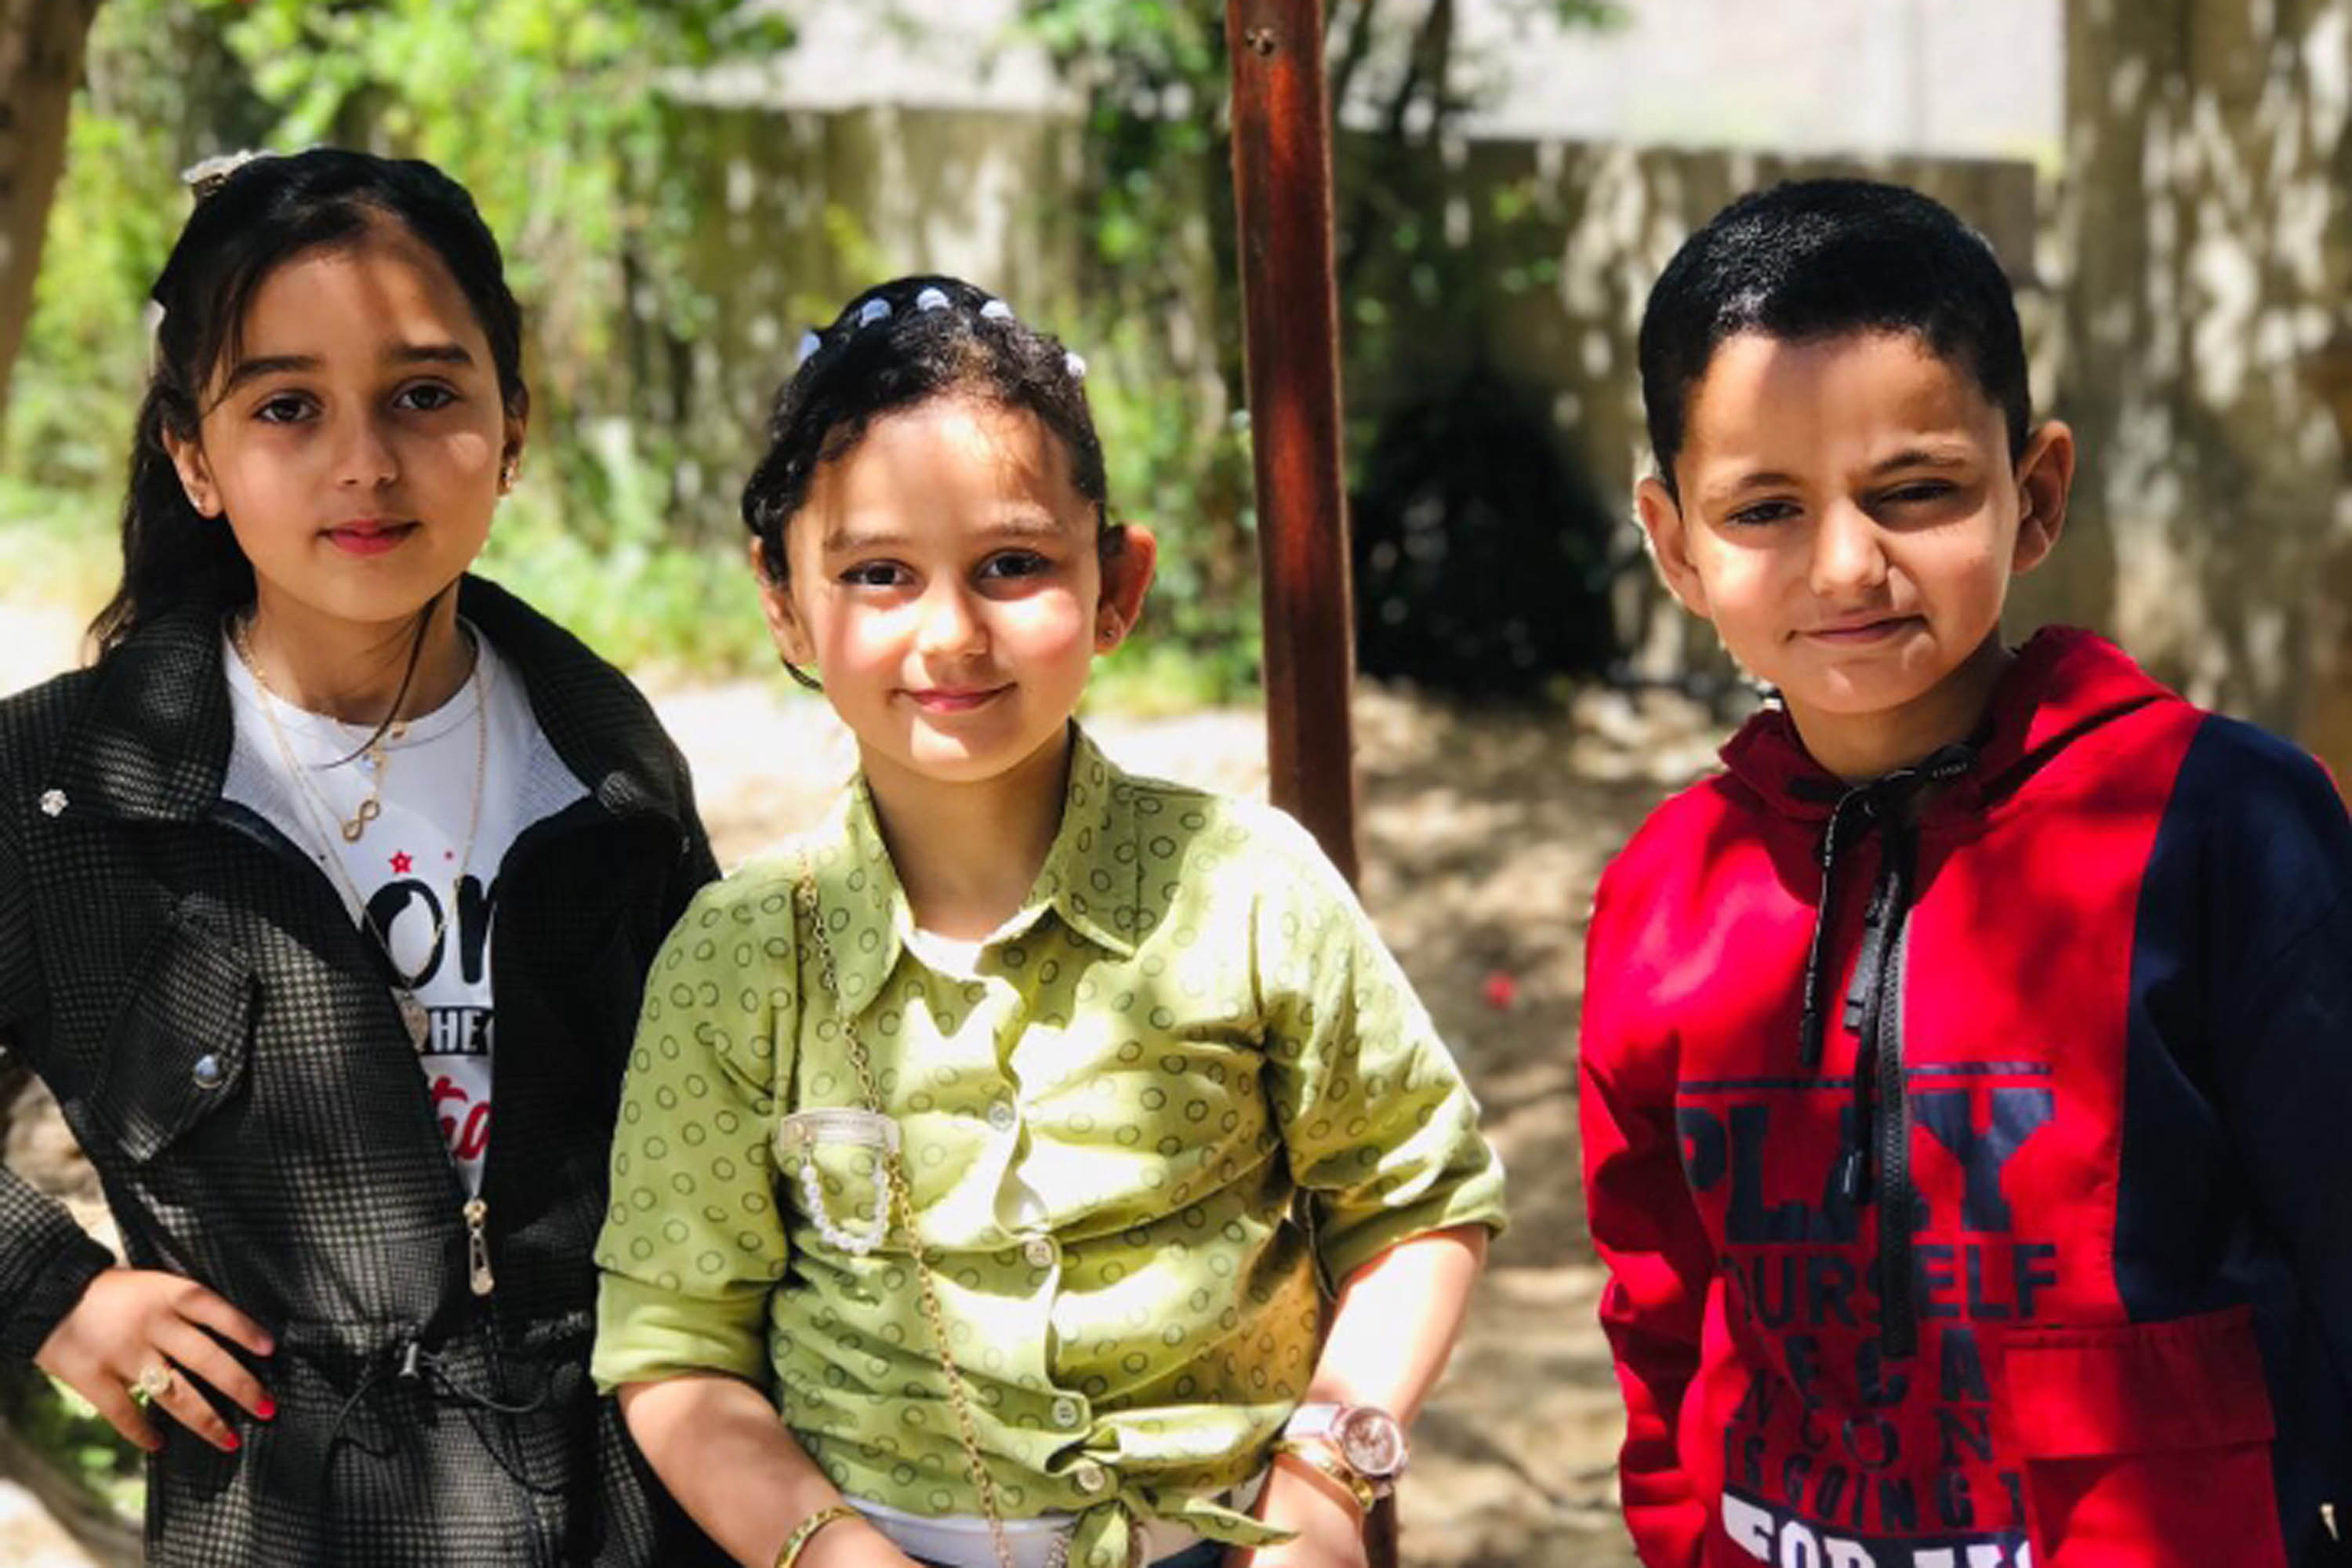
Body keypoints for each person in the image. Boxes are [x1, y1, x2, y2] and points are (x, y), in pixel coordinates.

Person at [590, 274, 1508, 1568]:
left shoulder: (1249, 890)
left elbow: (1418, 1200)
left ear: (1119, 581)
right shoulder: (743, 958)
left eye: (1012, 565)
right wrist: (833, 1554)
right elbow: (674, 1344)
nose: (953, 633)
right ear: (784, 601)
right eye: (877, 574)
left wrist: (1323, 1483)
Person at [1580, 176, 2352, 1568]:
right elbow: (1658, 1300)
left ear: (2036, 493)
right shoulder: (1664, 891)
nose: (1849, 564)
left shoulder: (2223, 824)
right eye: (1762, 509)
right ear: (1674, 543)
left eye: (1916, 489)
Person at [0, 147, 728, 1564]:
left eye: (425, 394)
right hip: (284, 1521)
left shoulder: (609, 763)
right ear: (194, 458)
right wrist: (55, 1295)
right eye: (287, 406)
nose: (364, 462)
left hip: (623, 1503)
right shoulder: (62, 791)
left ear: (513, 427)